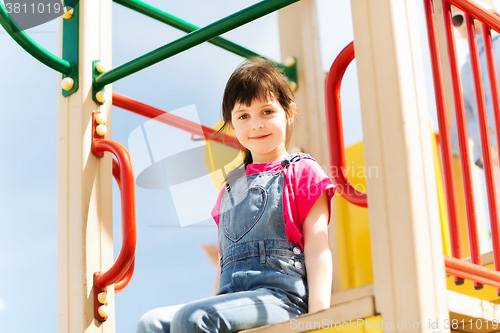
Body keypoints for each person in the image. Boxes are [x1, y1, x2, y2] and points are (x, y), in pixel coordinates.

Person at [136, 58, 336, 333]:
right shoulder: (230, 189)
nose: (256, 124)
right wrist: (216, 303)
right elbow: (223, 262)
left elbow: (317, 248)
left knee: (193, 319)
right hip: (232, 300)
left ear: (288, 112)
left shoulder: (302, 171)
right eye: (244, 116)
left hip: (282, 299)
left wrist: (319, 317)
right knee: (151, 323)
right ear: (232, 123)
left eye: (267, 112)